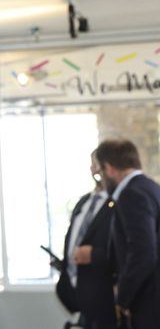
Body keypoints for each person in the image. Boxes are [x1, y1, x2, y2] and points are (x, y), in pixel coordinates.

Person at [95, 139, 160, 329]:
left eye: (100, 171)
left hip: (148, 301)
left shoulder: (132, 195)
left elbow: (143, 251)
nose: (101, 178)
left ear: (109, 168)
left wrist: (123, 298)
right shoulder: (151, 187)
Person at [55, 151, 116, 329]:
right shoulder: (83, 202)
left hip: (105, 298)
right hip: (77, 294)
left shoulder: (118, 203)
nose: (92, 169)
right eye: (91, 164)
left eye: (96, 164)